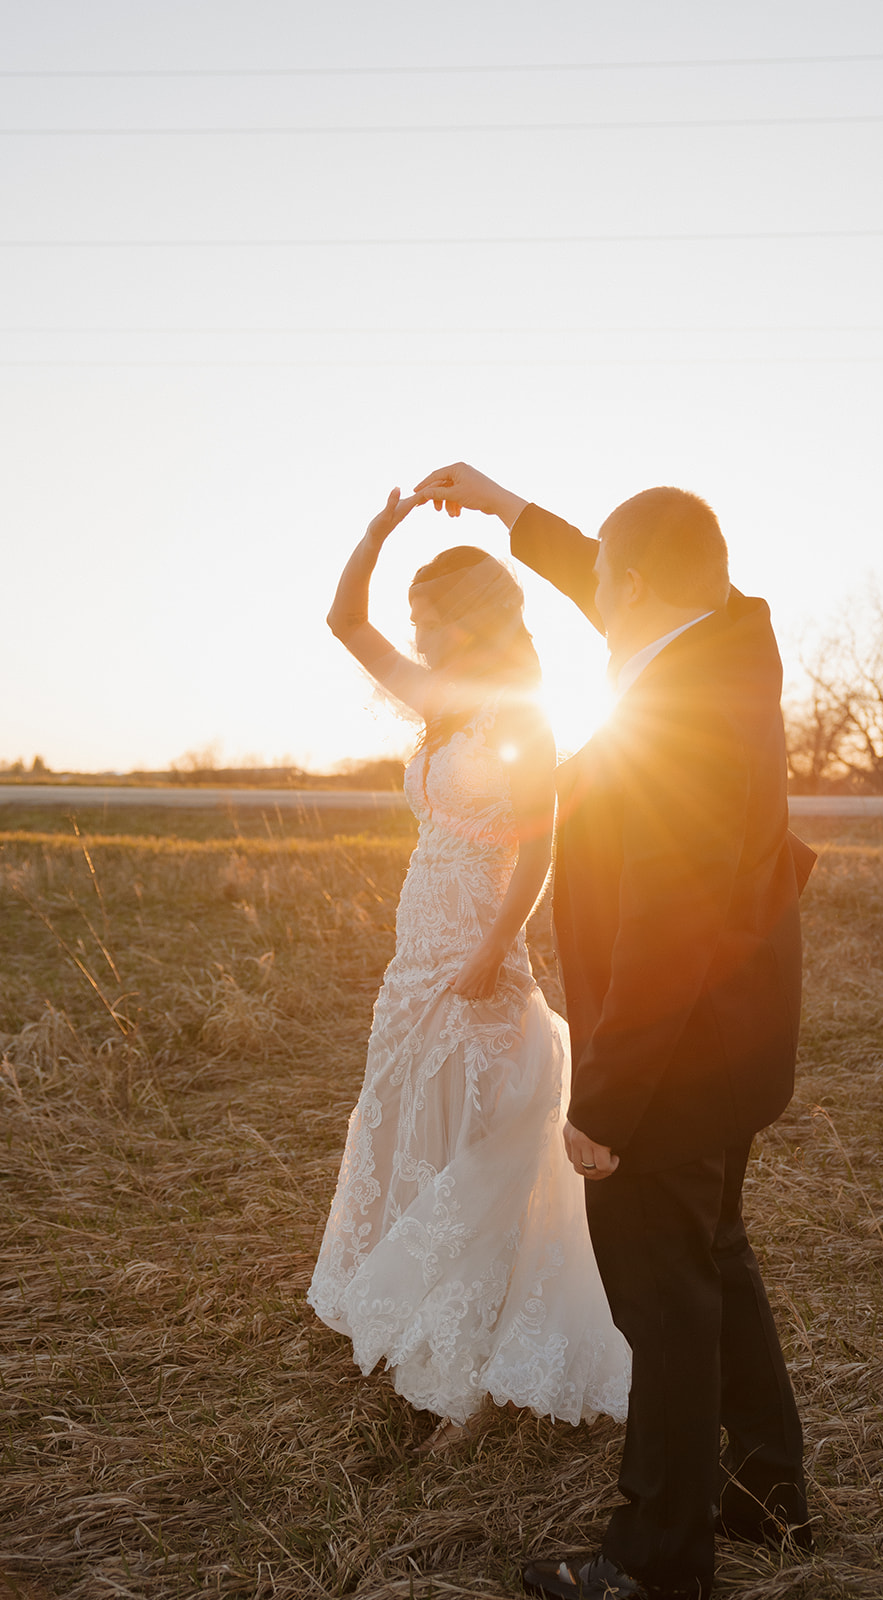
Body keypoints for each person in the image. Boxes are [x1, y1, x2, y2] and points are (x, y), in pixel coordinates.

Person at [415, 463, 816, 1596]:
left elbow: (664, 932)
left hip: (672, 1058)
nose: (589, 592)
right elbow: (614, 582)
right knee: (713, 1261)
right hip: (730, 1044)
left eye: (600, 575)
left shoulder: (684, 711)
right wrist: (504, 508)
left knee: (661, 1302)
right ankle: (766, 1489)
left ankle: (654, 1561)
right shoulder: (714, 651)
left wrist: (602, 1103)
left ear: (634, 583)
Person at [307, 488, 630, 1452]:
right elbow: (342, 623)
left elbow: (538, 851)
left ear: (469, 621)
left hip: (481, 954)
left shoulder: (522, 717)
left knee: (481, 1147)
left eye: (429, 621)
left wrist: (492, 950)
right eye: (415, 622)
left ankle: (473, 1380)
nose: (418, 636)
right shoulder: (446, 708)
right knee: (410, 1132)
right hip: (416, 954)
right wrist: (375, 531)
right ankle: (416, 1327)